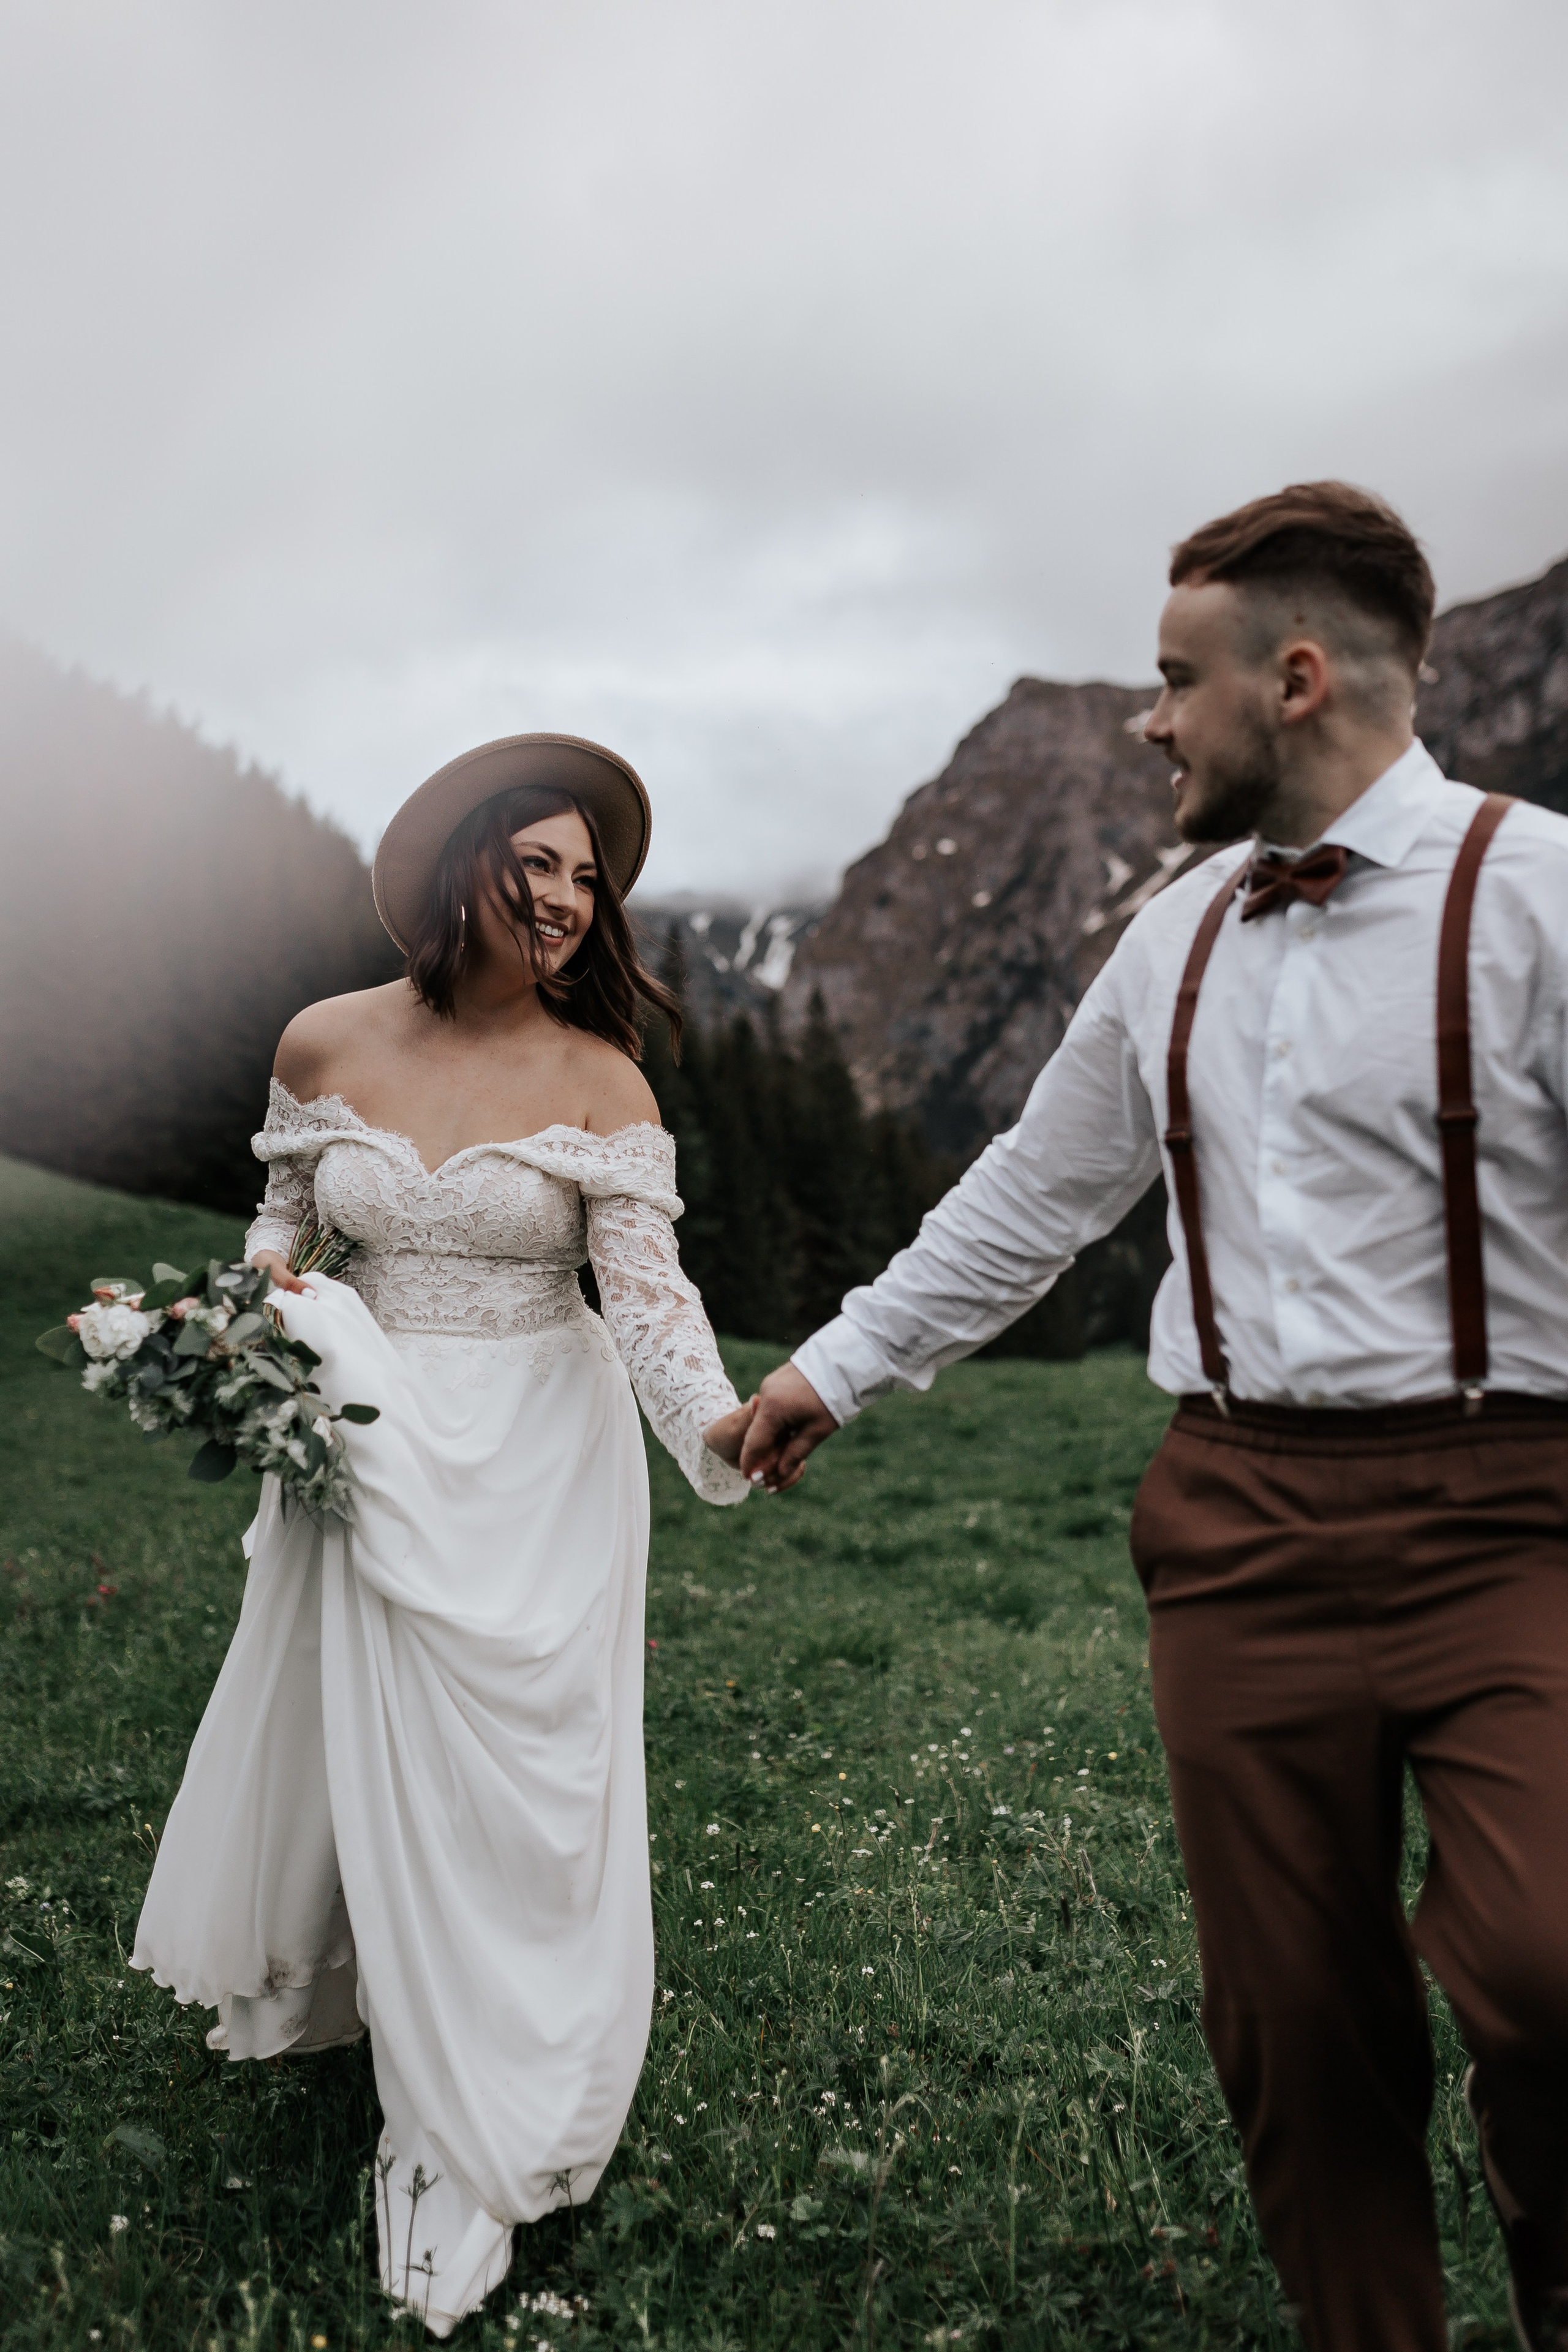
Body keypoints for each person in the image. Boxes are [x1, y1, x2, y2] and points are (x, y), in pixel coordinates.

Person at [739, 484, 1568, 2352]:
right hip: (1239, 1526)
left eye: (1174, 678)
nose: (1148, 719)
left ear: (1294, 679)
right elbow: (1038, 1194)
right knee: (1290, 2022)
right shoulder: (1173, 936)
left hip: (1519, 1515)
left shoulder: (1544, 895)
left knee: (1550, 1967)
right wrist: (832, 1368)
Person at [132, 734, 755, 2335]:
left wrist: (723, 1432)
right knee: (385, 1758)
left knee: (519, 1791)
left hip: (541, 1457)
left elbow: (652, 1309)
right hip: (363, 1437)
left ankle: (480, 2113)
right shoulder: (325, 1040)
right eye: (537, 862)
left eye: (585, 879)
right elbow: (279, 1238)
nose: (562, 899)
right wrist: (240, 1336)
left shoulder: (600, 1080)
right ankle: (409, 2075)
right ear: (459, 864)